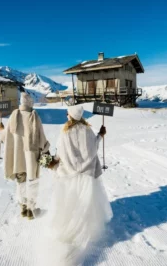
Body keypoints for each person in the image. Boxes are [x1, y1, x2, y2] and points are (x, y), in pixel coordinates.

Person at [44, 105, 113, 264]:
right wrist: (100, 135)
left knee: (71, 205)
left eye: (67, 113)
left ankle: (71, 239)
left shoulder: (65, 132)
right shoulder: (88, 131)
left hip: (69, 177)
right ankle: (82, 233)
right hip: (87, 177)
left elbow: (60, 154)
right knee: (85, 206)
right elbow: (93, 149)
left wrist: (51, 163)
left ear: (70, 115)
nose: (66, 114)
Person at [0, 92, 50, 220]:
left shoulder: (13, 116)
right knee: (32, 181)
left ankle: (23, 207)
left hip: (18, 156)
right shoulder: (34, 116)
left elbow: (5, 136)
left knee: (21, 181)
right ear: (30, 102)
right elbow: (41, 136)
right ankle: (31, 210)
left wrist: (0, 129)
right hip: (31, 155)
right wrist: (46, 148)